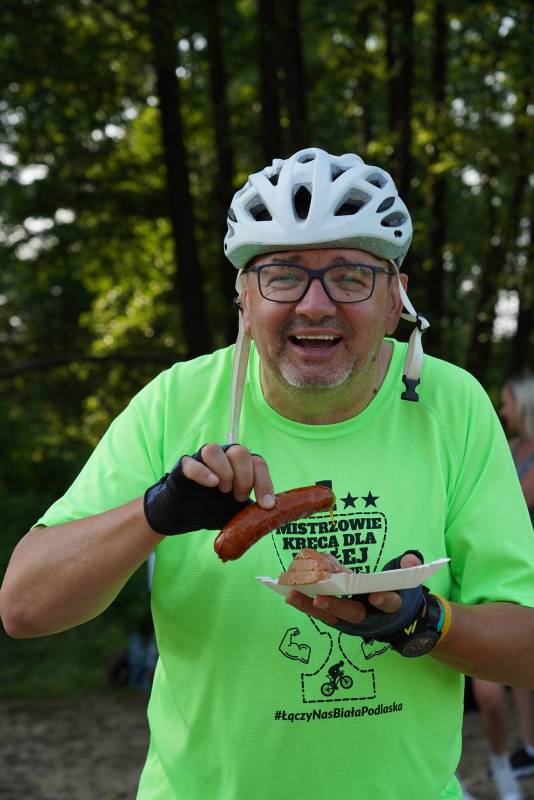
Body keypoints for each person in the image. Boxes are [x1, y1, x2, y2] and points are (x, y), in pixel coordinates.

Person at [1, 147, 534, 800]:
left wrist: (424, 622)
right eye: (282, 276)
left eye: (351, 276)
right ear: (245, 298)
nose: (315, 304)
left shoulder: (452, 405)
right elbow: (24, 607)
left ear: (396, 297)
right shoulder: (175, 403)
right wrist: (156, 513)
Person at [472, 373, 534, 800]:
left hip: (525, 569)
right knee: (491, 691)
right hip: (492, 572)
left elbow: (513, 502)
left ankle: (527, 747)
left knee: (524, 674)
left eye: (508, 402)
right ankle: (505, 764)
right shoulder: (509, 449)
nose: (502, 410)